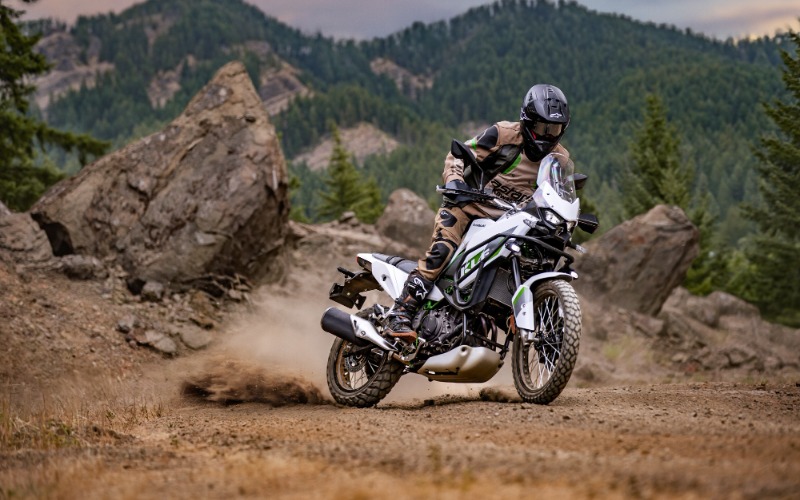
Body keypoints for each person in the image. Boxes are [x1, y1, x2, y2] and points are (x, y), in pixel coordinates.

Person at [385, 84, 572, 342]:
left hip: (511, 221)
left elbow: (559, 193)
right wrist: (454, 181)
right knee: (442, 250)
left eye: (555, 129)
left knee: (536, 257)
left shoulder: (560, 158)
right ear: (528, 121)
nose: (548, 135)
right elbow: (458, 154)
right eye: (542, 127)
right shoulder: (503, 135)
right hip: (468, 206)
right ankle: (400, 312)